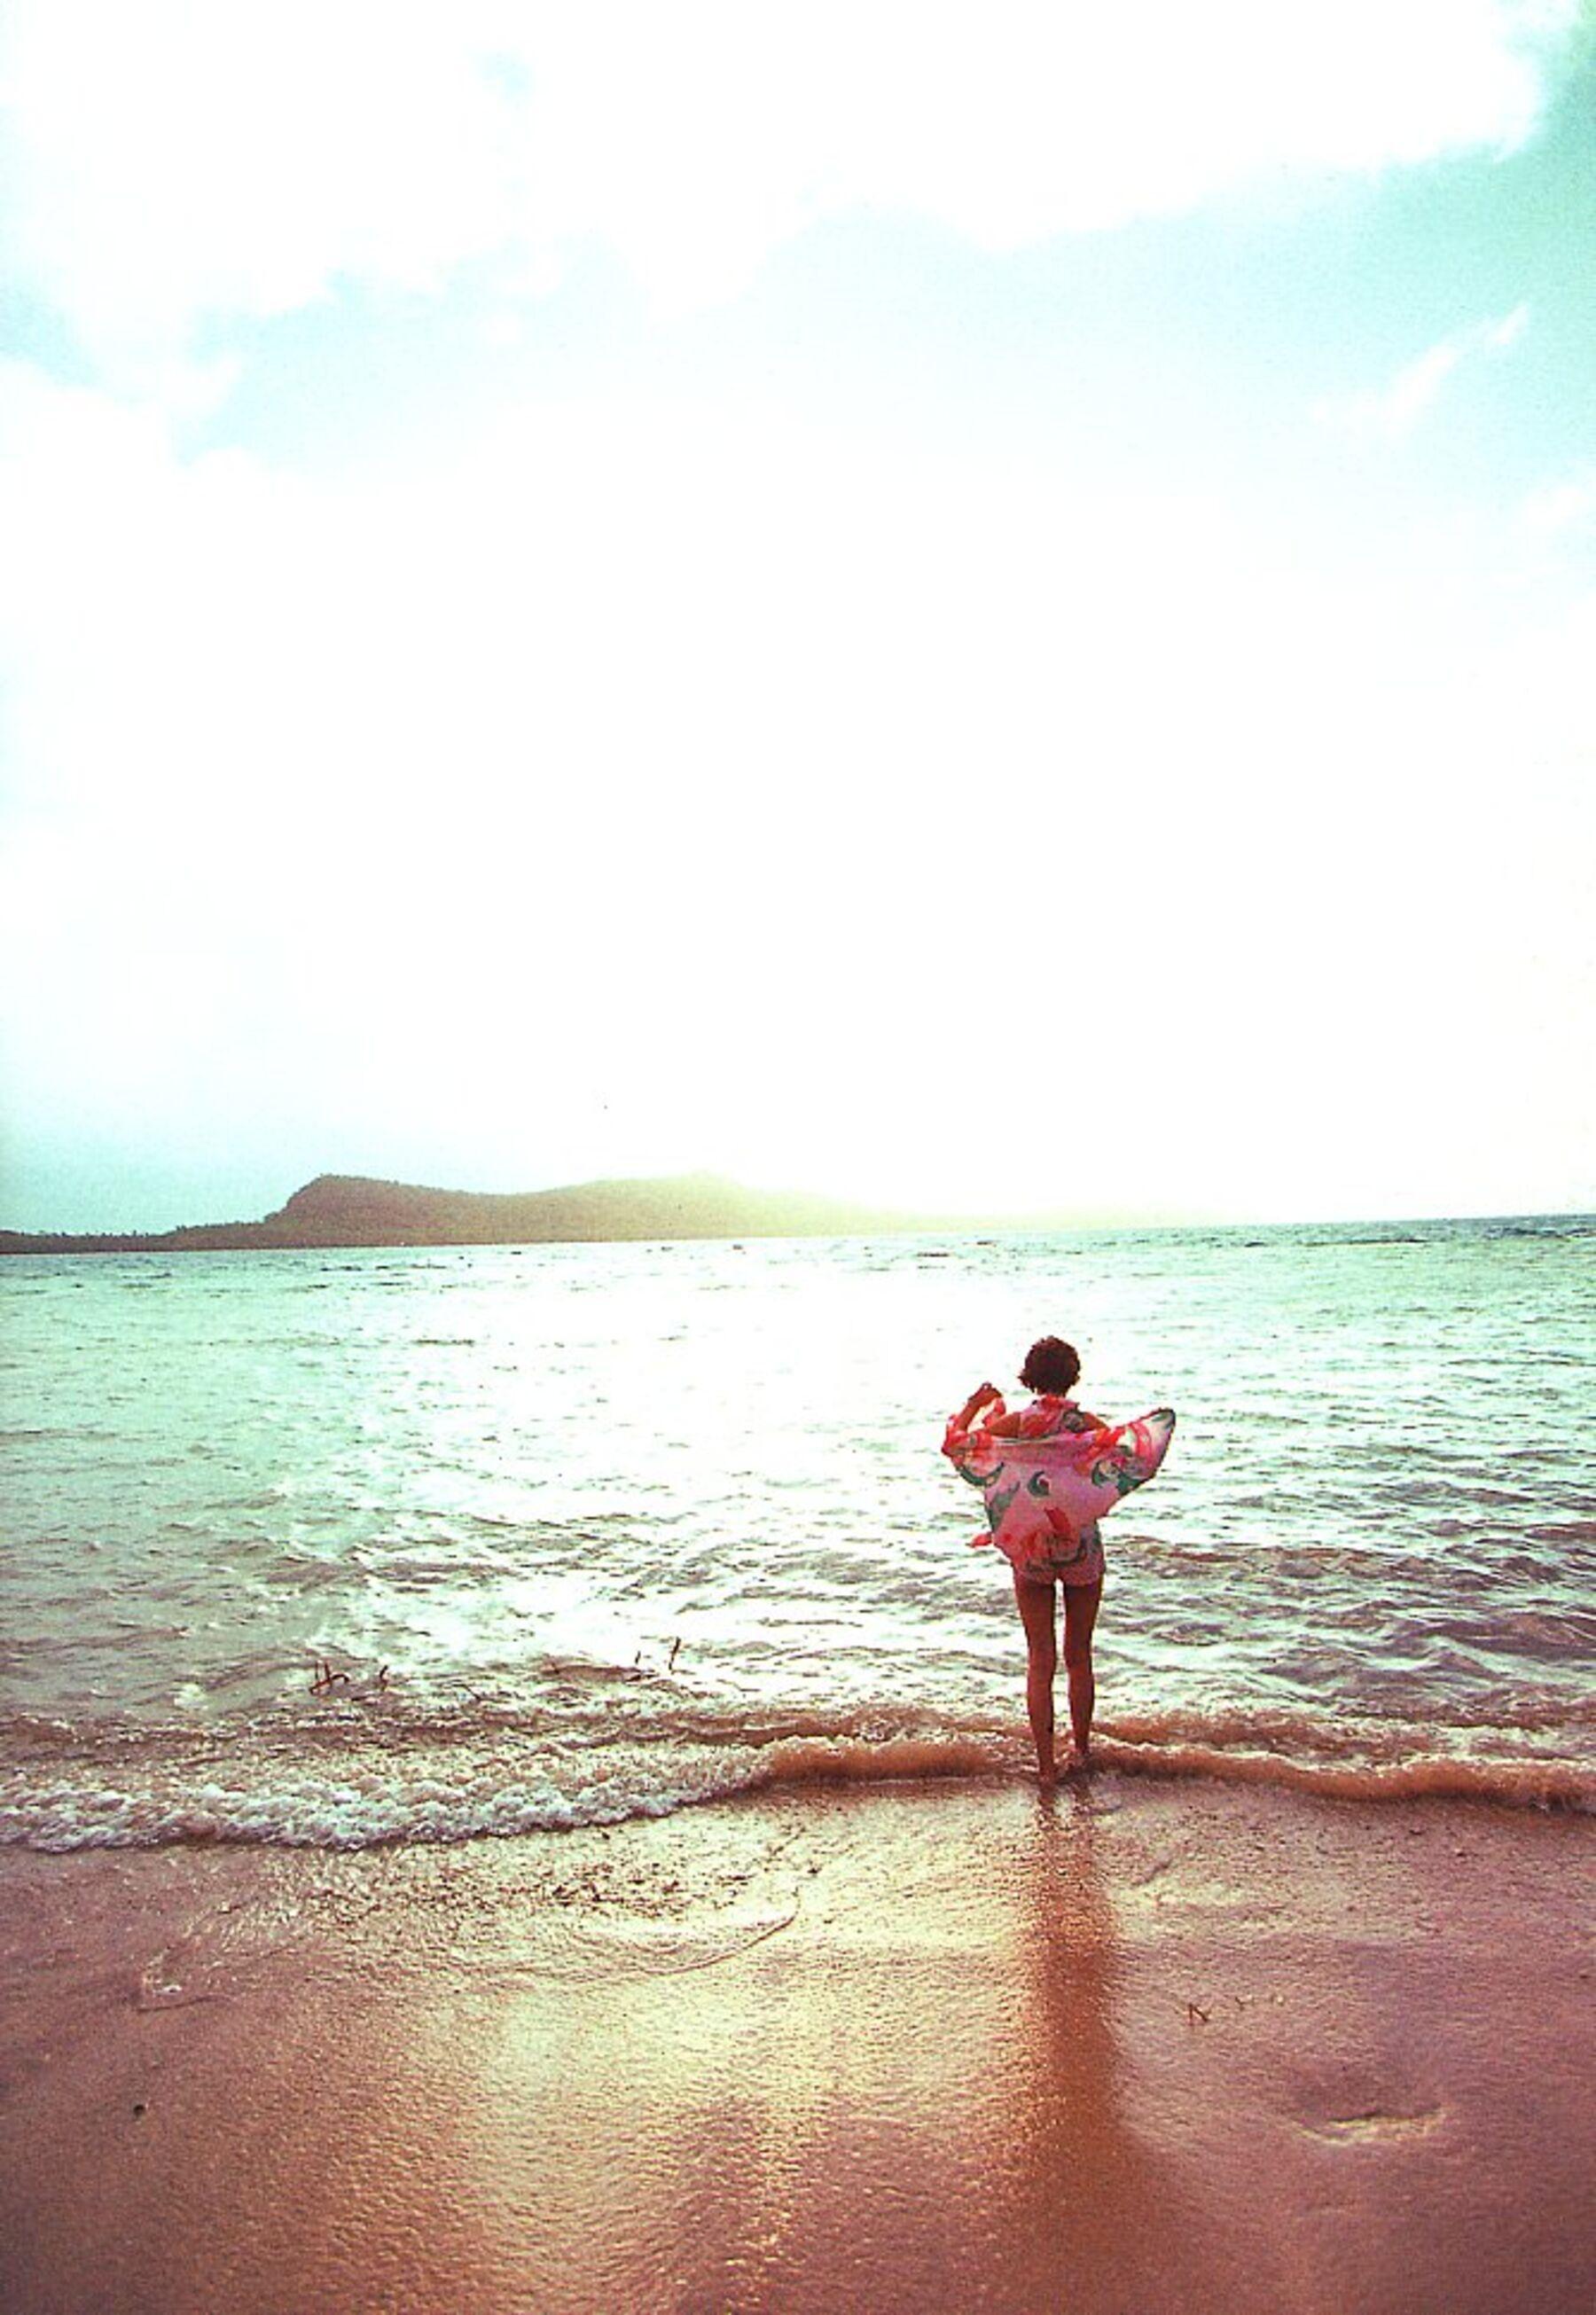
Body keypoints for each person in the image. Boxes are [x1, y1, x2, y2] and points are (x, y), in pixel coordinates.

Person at [943, 1336, 1109, 1785]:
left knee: (1040, 1658)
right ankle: (1082, 1752)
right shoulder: (1085, 1424)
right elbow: (1122, 1455)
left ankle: (1046, 1768)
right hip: (1079, 1542)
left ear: (1029, 1377)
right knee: (1079, 1654)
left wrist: (975, 1404)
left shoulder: (1018, 1423)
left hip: (1032, 1546)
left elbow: (957, 1446)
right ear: (1072, 1376)